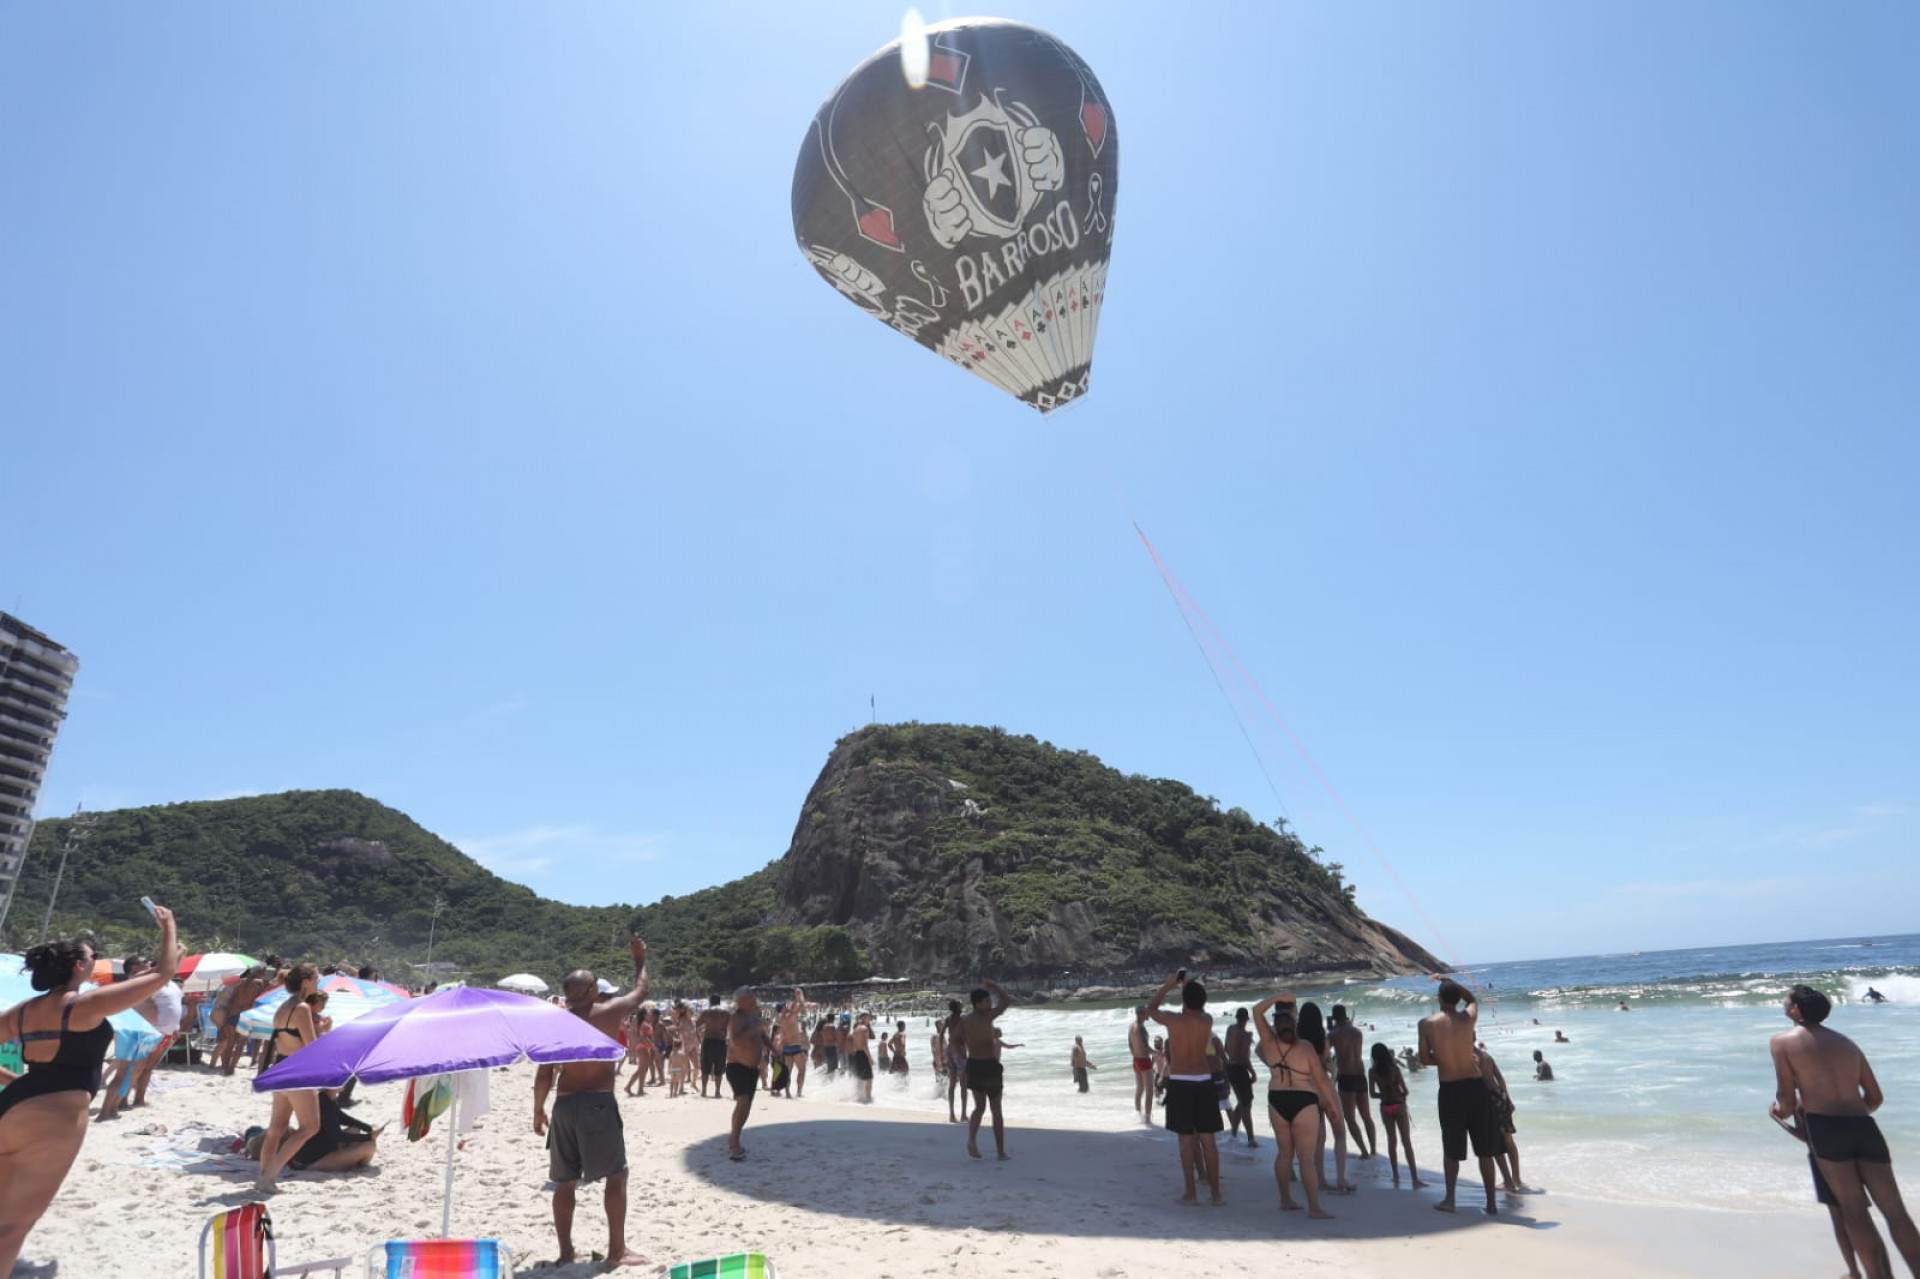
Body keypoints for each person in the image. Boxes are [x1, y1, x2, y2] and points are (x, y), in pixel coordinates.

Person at [0, 905, 179, 1275]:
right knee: (14, 1225)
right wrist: (168, 926)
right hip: (56, 1119)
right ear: (78, 967)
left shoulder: (23, 1011)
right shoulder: (85, 1005)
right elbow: (164, 974)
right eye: (92, 956)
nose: (95, 960)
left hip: (13, 1106)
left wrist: (13, 1082)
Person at [1771, 983, 1920, 1279]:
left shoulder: (1782, 1042)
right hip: (1863, 1126)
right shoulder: (1846, 1043)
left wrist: (1776, 1112)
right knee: (1895, 1211)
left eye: (1786, 999)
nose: (1783, 1003)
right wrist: (1851, 1116)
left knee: (1853, 1209)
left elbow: (1786, 1102)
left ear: (1796, 1009)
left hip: (1825, 1128)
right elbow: (1875, 1097)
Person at [531, 934, 652, 1270]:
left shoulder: (555, 1021)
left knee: (564, 1180)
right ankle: (616, 1251)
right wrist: (639, 959)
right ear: (591, 991)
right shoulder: (608, 1011)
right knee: (617, 1175)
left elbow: (544, 1073)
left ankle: (566, 1252)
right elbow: (641, 991)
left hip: (564, 1105)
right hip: (597, 1102)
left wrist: (538, 1109)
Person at [1252, 990, 1340, 1219]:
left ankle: (1285, 1200)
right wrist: (1332, 1105)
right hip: (1304, 1100)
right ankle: (1314, 1208)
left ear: (1275, 1025)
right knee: (1306, 1159)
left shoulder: (1269, 1042)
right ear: (1294, 1023)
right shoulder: (1306, 1047)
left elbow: (1256, 1011)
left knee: (1284, 1154)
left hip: (1277, 1099)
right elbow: (1322, 1080)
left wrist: (1276, 997)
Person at [1419, 978, 1502, 1215]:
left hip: (1450, 1090)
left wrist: (1445, 1059)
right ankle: (1491, 1203)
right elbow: (1472, 998)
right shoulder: (1468, 1019)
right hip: (1475, 1087)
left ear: (1439, 998)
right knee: (1485, 1150)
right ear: (1457, 999)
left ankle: (1450, 1200)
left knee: (1451, 1149)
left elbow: (1424, 1059)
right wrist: (1449, 981)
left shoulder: (1426, 1024)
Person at [1147, 969, 1224, 1206]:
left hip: (1181, 1082)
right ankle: (1216, 1195)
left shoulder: (1174, 1020)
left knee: (1186, 1141)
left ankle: (1191, 1192)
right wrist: (1187, 986)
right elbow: (1194, 1005)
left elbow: (1151, 1009)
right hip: (1204, 1080)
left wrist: (1169, 984)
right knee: (1209, 1141)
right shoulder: (1207, 1021)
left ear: (1184, 1002)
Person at [255, 964, 324, 1194]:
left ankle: (264, 1174)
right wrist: (324, 1030)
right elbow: (312, 1047)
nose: (318, 982)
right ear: (305, 982)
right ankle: (270, 1176)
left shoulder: (283, 1007)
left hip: (281, 1066)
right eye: (316, 978)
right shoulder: (302, 1008)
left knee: (276, 1128)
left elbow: (281, 1041)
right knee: (310, 1127)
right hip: (297, 1070)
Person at [1297, 1002, 1352, 1194]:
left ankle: (1320, 1180)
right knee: (1340, 1134)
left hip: (1308, 1092)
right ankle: (1341, 1179)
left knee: (1318, 1139)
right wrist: (1334, 1074)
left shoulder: (1297, 1041)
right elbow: (1329, 1066)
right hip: (1325, 1089)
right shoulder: (1322, 1038)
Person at [959, 980, 1013, 1160]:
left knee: (979, 1107)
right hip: (989, 1066)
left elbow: (955, 1040)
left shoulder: (965, 1021)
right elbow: (1006, 1002)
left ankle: (971, 1140)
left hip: (973, 1065)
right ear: (977, 1003)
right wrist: (995, 987)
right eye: (987, 1001)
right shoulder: (987, 1018)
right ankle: (1000, 1152)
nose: (990, 1003)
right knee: (996, 1109)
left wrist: (961, 1057)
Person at [1369, 1042, 1424, 1189]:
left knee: (1391, 1141)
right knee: (1406, 1142)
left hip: (1385, 1107)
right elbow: (1405, 1090)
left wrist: (1384, 1094)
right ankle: (1415, 1179)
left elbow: (1372, 1094)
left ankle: (1395, 1176)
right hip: (1399, 1105)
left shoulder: (1372, 1072)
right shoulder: (1394, 1069)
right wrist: (1400, 1096)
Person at [724, 986, 769, 1161]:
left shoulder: (754, 1014)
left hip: (752, 1068)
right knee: (742, 1102)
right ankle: (734, 1143)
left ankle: (735, 1137)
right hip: (737, 1066)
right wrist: (756, 1029)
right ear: (741, 1000)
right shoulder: (736, 1017)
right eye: (750, 995)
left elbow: (762, 1035)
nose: (754, 996)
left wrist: (773, 1048)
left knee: (747, 1106)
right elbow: (735, 1040)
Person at [1328, 1005, 1377, 1158]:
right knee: (1366, 1116)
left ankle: (1364, 1152)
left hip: (1346, 1077)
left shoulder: (1333, 1034)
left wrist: (1330, 1030)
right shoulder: (1357, 1032)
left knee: (1350, 1118)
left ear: (1334, 1017)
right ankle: (1373, 1149)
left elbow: (1325, 1054)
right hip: (1360, 1075)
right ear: (1346, 1016)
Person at [211, 966, 272, 1076]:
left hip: (233, 1013)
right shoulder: (259, 985)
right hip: (245, 1015)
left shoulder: (239, 984)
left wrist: (227, 1017)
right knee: (240, 1044)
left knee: (230, 1043)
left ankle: (225, 1066)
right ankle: (231, 1068)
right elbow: (259, 1001)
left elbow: (231, 1001)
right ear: (261, 973)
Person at [1223, 1007, 1257, 1148]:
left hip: (1230, 1068)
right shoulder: (1245, 1035)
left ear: (1237, 1018)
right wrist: (1253, 1072)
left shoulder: (1230, 1029)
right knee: (1246, 1104)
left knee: (1241, 1101)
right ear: (1246, 1020)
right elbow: (1244, 1058)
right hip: (1239, 1070)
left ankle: (1233, 1134)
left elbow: (1226, 1048)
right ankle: (1251, 1139)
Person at [776, 988, 810, 1097]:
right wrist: (800, 996)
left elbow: (794, 1007)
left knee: (788, 1072)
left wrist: (795, 1001)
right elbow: (802, 1007)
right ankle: (799, 1092)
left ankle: (787, 1092)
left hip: (786, 1047)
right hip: (795, 1046)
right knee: (802, 1069)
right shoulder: (790, 1016)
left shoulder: (782, 1019)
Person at [697, 995, 730, 1099]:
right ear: (719, 1002)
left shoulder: (706, 1012)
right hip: (720, 1041)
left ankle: (704, 1091)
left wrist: (699, 1037)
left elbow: (697, 1024)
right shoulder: (726, 1012)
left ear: (710, 1002)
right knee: (719, 1067)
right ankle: (717, 1092)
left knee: (705, 1067)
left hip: (708, 1040)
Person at [1128, 1005, 1155, 1125]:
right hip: (1144, 1060)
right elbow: (1145, 1047)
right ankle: (1147, 1118)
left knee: (1139, 1089)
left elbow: (1130, 1044)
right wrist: (1157, 1053)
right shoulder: (1141, 1028)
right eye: (1146, 1013)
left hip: (1136, 1060)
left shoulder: (1131, 1026)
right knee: (1149, 1090)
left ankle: (1137, 1114)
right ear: (1141, 1014)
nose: (1148, 1015)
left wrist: (1135, 1055)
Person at [943, 1001, 967, 1122]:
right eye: (961, 1005)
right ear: (957, 1007)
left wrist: (941, 1052)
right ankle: (963, 1114)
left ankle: (952, 1115)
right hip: (959, 1049)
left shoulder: (948, 1019)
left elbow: (941, 1034)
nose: (962, 1006)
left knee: (952, 1084)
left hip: (949, 1050)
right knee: (963, 1084)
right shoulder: (962, 1019)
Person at [845, 1013, 875, 1105]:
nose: (870, 1019)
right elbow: (865, 1045)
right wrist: (870, 1058)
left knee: (860, 1078)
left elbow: (854, 1044)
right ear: (864, 1018)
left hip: (857, 1054)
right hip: (863, 1054)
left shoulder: (856, 1029)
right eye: (869, 1018)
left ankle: (859, 1097)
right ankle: (868, 1098)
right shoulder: (864, 1029)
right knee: (869, 1078)